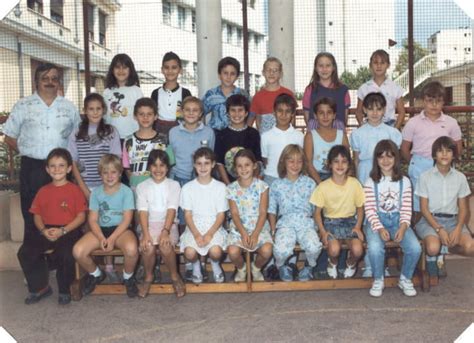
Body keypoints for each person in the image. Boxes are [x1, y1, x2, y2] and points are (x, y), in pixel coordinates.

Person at [4, 63, 80, 247]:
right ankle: (35, 261)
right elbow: (9, 137)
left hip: (62, 170)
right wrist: (29, 152)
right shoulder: (24, 105)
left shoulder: (69, 108)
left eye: (54, 78)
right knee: (33, 215)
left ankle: (61, 262)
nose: (50, 82)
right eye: (45, 78)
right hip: (33, 168)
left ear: (59, 82)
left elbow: (76, 138)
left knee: (64, 213)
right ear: (36, 81)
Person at [17, 148, 87, 305]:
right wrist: (43, 230)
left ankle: (64, 289)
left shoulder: (75, 190)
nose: (57, 169)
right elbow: (37, 215)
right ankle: (40, 288)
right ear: (47, 169)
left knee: (65, 253)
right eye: (53, 166)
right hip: (47, 229)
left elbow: (81, 217)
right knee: (25, 252)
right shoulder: (43, 191)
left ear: (69, 168)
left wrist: (63, 230)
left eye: (61, 166)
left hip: (69, 229)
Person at [73, 154, 139, 298]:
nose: (110, 176)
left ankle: (128, 278)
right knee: (78, 251)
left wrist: (113, 238)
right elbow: (93, 220)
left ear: (120, 173)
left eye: (113, 172)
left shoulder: (126, 191)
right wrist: (102, 237)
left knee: (132, 249)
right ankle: (96, 274)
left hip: (121, 230)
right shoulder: (96, 193)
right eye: (105, 172)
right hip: (101, 230)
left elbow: (127, 219)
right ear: (100, 174)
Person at [364, 140, 421, 297]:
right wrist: (380, 227)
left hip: (398, 221)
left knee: (415, 248)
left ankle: (405, 278)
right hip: (377, 221)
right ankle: (378, 279)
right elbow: (369, 209)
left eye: (390, 156)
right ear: (376, 160)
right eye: (381, 157)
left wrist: (403, 227)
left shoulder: (405, 181)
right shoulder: (370, 182)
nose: (386, 161)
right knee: (375, 248)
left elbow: (406, 208)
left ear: (396, 158)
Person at [169, 96, 215, 281]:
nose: (191, 113)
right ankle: (189, 260)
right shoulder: (173, 132)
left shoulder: (209, 133)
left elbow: (210, 156)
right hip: (180, 180)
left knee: (201, 217)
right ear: (182, 112)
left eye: (195, 110)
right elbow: (170, 158)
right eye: (187, 109)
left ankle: (202, 260)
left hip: (200, 181)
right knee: (182, 220)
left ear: (201, 114)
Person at [401, 81, 462, 216]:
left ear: (443, 102)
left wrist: (447, 161)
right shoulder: (413, 122)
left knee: (442, 199)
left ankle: (440, 227)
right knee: (418, 201)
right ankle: (418, 230)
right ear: (423, 101)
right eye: (430, 100)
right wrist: (415, 161)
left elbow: (458, 146)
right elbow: (404, 148)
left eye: (438, 101)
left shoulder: (451, 123)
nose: (434, 105)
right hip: (419, 165)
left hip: (444, 165)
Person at [415, 136, 474, 275]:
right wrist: (438, 229)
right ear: (434, 155)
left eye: (448, 151)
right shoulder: (425, 177)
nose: (444, 154)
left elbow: (464, 208)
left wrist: (459, 228)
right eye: (440, 151)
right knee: (433, 248)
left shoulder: (460, 178)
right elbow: (424, 209)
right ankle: (433, 256)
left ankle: (448, 248)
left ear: (454, 155)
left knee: (471, 247)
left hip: (453, 221)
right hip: (430, 221)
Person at [136, 150, 186, 298]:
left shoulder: (174, 185)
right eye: (154, 165)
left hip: (168, 224)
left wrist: (165, 231)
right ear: (149, 167)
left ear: (168, 167)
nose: (158, 170)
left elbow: (172, 209)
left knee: (165, 246)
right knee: (147, 247)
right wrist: (145, 234)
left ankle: (175, 277)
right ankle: (148, 277)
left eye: (162, 165)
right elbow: (143, 212)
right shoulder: (142, 187)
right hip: (148, 224)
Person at [269, 145, 322, 282]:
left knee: (314, 247)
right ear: (283, 162)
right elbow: (271, 210)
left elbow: (316, 209)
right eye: (291, 161)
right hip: (285, 224)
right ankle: (282, 266)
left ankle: (308, 267)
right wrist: (273, 230)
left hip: (306, 223)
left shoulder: (310, 183)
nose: (295, 165)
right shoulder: (276, 184)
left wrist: (318, 228)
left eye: (299, 161)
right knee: (280, 250)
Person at [310, 145, 365, 279]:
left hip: (350, 222)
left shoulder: (355, 183)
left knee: (358, 250)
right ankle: (332, 262)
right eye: (336, 161)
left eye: (344, 161)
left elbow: (360, 208)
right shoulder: (323, 186)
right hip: (330, 223)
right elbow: (317, 213)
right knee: (334, 250)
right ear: (329, 164)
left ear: (349, 164)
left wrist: (358, 227)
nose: (340, 165)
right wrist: (322, 232)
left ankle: (351, 263)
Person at [179, 148, 228, 284]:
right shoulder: (188, 188)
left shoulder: (220, 187)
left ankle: (215, 264)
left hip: (214, 226)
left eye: (206, 163)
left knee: (216, 251)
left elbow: (220, 215)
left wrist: (209, 234)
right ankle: (196, 267)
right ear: (194, 165)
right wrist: (196, 234)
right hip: (194, 226)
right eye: (199, 163)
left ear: (213, 164)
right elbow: (187, 214)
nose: (203, 167)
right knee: (189, 252)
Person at [227, 149, 273, 282]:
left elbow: (263, 212)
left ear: (254, 166)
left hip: (259, 226)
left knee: (266, 250)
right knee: (233, 252)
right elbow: (234, 214)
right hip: (239, 227)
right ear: (235, 168)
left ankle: (256, 268)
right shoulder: (231, 188)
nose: (243, 169)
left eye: (247, 165)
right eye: (239, 166)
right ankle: (242, 268)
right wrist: (243, 233)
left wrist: (255, 234)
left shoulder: (262, 187)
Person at [68, 93, 121, 200]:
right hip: (83, 186)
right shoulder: (76, 133)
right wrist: (84, 189)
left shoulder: (111, 132)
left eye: (98, 108)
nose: (95, 112)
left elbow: (116, 161)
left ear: (104, 110)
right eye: (91, 109)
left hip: (106, 186)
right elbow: (72, 161)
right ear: (85, 110)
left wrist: (109, 186)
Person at [122, 97, 175, 191]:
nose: (145, 117)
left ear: (155, 116)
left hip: (159, 190)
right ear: (135, 116)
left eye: (149, 114)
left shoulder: (163, 140)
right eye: (141, 114)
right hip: (136, 190)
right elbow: (127, 168)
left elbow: (169, 165)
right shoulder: (128, 141)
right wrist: (135, 184)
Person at [351, 92, 402, 186]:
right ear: (364, 110)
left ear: (384, 110)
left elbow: (396, 159)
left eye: (378, 109)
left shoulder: (392, 133)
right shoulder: (357, 134)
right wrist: (358, 182)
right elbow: (356, 160)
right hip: (365, 173)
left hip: (387, 172)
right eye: (370, 109)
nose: (374, 113)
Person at [215, 94, 262, 185]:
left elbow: (258, 161)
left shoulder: (253, 134)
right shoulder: (221, 135)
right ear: (228, 113)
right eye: (233, 110)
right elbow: (219, 163)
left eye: (240, 110)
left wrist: (252, 183)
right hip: (228, 184)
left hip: (250, 184)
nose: (237, 114)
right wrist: (229, 185)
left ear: (246, 113)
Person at [356, 50, 406, 129]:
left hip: (390, 125)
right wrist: (363, 127)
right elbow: (358, 111)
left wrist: (395, 130)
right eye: (375, 63)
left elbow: (402, 112)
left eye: (382, 63)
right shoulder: (364, 88)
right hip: (370, 126)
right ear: (370, 65)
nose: (379, 66)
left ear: (388, 65)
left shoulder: (396, 87)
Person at [261, 94, 304, 186]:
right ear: (274, 112)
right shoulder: (265, 136)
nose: (283, 115)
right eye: (280, 111)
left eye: (288, 111)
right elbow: (265, 160)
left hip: (293, 178)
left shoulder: (299, 136)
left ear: (292, 114)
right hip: (271, 178)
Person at [304, 97, 349, 184]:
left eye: (329, 112)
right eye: (321, 113)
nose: (325, 116)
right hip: (316, 177)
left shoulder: (341, 135)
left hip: (338, 175)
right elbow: (308, 164)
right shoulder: (310, 136)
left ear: (334, 115)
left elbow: (347, 160)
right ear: (315, 116)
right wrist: (321, 184)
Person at [302, 52, 350, 130]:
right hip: (316, 132)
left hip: (337, 131)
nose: (324, 69)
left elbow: (345, 114)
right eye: (321, 66)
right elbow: (306, 113)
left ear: (333, 67)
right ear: (316, 68)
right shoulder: (309, 89)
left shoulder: (343, 89)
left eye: (328, 65)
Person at [248, 57, 294, 133]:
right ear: (263, 72)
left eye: (275, 70)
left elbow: (292, 119)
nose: (271, 73)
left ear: (280, 74)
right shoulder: (257, 96)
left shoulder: (288, 94)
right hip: (265, 139)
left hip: (285, 137)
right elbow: (257, 120)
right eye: (268, 70)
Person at [103, 53, 143, 140]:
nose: (121, 71)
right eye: (117, 67)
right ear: (112, 70)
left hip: (132, 138)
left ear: (130, 70)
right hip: (111, 138)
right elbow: (103, 116)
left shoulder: (136, 91)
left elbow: (142, 113)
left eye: (124, 67)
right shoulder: (107, 92)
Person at [150, 51, 192, 136]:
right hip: (159, 133)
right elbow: (152, 116)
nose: (170, 71)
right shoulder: (156, 93)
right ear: (162, 70)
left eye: (174, 67)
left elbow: (187, 116)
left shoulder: (185, 93)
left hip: (179, 132)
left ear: (180, 70)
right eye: (166, 67)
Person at [202, 56, 249, 130]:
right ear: (219, 75)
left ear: (237, 77)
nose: (228, 77)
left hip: (236, 135)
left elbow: (248, 115)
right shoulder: (211, 94)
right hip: (215, 135)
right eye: (225, 73)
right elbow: (200, 113)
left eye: (232, 74)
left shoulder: (242, 94)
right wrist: (203, 131)